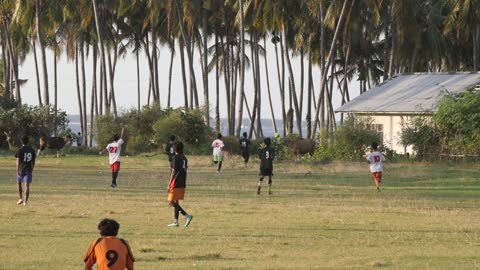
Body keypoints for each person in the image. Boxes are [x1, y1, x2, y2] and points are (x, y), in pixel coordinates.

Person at [167, 142, 193, 227]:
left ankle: (187, 216)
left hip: (176, 182)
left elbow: (174, 171)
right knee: (176, 201)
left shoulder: (176, 158)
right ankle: (176, 222)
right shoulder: (184, 158)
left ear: (175, 149)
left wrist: (169, 183)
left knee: (171, 202)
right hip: (182, 182)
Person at [15, 135, 36, 206]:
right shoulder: (32, 150)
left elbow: (18, 161)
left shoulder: (19, 150)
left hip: (21, 170)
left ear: (22, 142)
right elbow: (33, 161)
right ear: (28, 142)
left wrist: (17, 170)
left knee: (19, 183)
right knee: (27, 186)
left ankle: (20, 198)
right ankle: (25, 202)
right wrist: (32, 168)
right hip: (28, 170)